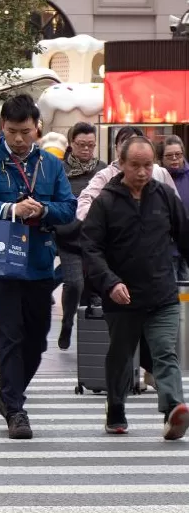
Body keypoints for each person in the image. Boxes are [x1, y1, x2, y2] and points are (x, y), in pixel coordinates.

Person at [0, 94, 76, 440]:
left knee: (37, 338)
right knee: (10, 335)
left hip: (40, 261)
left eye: (25, 131)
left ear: (36, 128)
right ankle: (15, 408)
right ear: (3, 128)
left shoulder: (51, 164)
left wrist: (42, 210)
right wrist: (12, 210)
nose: (18, 138)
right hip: (0, 261)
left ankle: (10, 393)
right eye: (12, 131)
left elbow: (68, 207)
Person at [82, 136, 189, 440]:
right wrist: (110, 282)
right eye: (135, 166)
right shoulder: (105, 201)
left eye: (147, 165)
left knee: (165, 351)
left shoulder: (165, 195)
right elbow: (90, 248)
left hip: (162, 293)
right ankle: (116, 408)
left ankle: (173, 409)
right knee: (120, 354)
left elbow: (185, 237)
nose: (142, 172)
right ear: (121, 163)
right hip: (122, 296)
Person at [54, 122, 106, 351]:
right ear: (71, 144)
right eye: (81, 145)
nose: (86, 150)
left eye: (91, 145)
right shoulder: (60, 171)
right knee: (74, 284)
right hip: (69, 239)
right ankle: (67, 323)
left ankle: (94, 331)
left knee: (97, 288)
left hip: (96, 240)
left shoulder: (103, 170)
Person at [161, 136, 189, 280]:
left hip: (187, 248)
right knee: (172, 292)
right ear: (162, 158)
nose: (174, 159)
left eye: (178, 154)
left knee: (187, 294)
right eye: (169, 155)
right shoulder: (158, 178)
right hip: (167, 250)